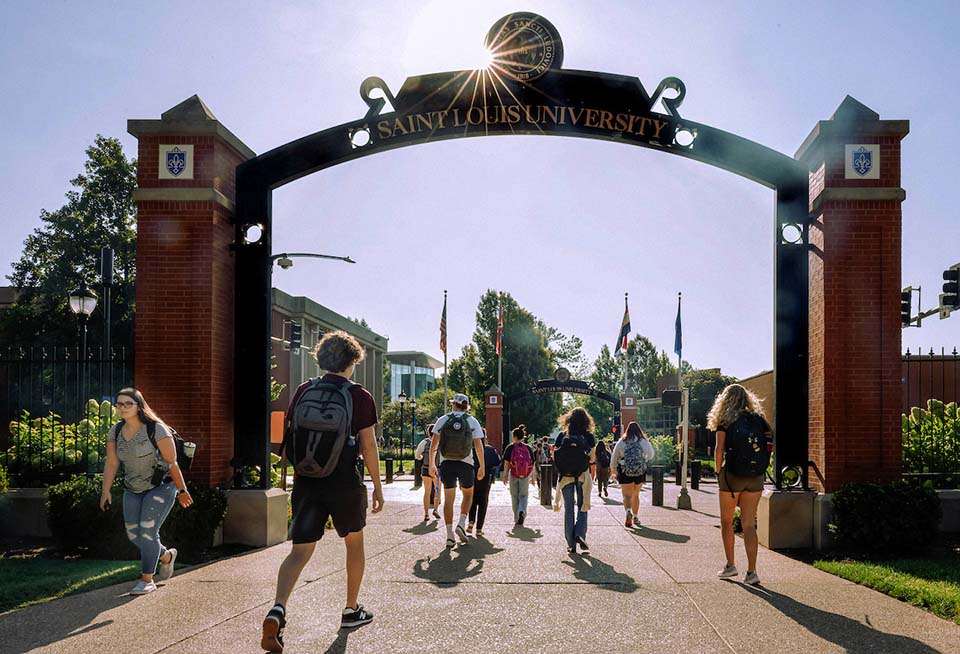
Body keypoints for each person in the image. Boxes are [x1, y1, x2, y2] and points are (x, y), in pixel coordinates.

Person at [262, 331, 385, 652]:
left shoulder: (303, 390)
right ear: (352, 361)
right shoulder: (359, 396)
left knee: (299, 551)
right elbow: (369, 446)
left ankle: (278, 609)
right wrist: (377, 486)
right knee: (354, 543)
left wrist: (286, 478)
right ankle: (350, 609)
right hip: (344, 480)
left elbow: (287, 438)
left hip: (307, 481)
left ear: (321, 359)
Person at [100, 388, 193, 595]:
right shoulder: (115, 432)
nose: (122, 408)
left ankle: (147, 580)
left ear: (139, 406)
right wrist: (105, 491)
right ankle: (166, 556)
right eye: (119, 404)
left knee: (148, 532)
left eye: (128, 404)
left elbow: (172, 462)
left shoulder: (157, 429)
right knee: (134, 535)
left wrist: (182, 490)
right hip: (132, 488)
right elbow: (112, 463)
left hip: (160, 486)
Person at [707, 383, 773, 587]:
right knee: (748, 524)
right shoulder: (759, 421)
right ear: (747, 399)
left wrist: (718, 471)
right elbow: (770, 445)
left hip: (732, 476)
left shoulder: (725, 421)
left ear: (725, 400)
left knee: (726, 521)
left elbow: (719, 449)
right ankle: (752, 571)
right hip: (755, 477)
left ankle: (730, 565)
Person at [429, 393, 485, 548]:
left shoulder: (443, 419)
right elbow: (479, 446)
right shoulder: (472, 421)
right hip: (466, 463)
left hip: (447, 463)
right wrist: (482, 466)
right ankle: (461, 523)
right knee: (468, 495)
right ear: (466, 406)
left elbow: (434, 445)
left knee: (449, 499)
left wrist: (432, 464)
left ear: (453, 404)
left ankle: (449, 535)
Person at [553, 407, 596, 554]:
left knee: (569, 509)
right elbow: (592, 459)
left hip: (565, 477)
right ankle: (579, 534)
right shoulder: (589, 437)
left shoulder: (562, 435)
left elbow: (555, 456)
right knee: (583, 506)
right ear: (586, 421)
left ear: (568, 420)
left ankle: (571, 545)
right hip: (583, 476)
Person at [610, 422, 655, 527]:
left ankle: (628, 512)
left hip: (625, 471)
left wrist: (613, 469)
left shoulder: (622, 442)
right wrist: (644, 459)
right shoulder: (643, 442)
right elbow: (652, 455)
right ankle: (635, 516)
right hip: (640, 472)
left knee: (627, 495)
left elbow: (614, 457)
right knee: (636, 494)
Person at [501, 425, 536, 526]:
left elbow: (507, 462)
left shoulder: (511, 447)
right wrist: (532, 478)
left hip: (514, 474)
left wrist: (504, 476)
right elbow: (531, 464)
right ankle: (522, 510)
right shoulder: (528, 448)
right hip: (525, 475)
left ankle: (516, 519)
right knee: (524, 495)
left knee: (514, 496)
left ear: (514, 437)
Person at [468, 433, 501, 536]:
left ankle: (471, 521)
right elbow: (497, 462)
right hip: (486, 479)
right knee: (483, 503)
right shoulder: (489, 450)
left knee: (472, 500)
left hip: (472, 478)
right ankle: (479, 529)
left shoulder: (470, 450)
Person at [415, 425, 442, 522]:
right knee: (437, 491)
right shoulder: (440, 442)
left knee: (427, 492)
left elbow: (417, 455)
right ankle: (435, 509)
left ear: (427, 433)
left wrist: (422, 458)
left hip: (426, 469)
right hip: (437, 470)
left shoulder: (424, 442)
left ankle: (426, 514)